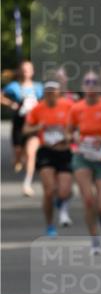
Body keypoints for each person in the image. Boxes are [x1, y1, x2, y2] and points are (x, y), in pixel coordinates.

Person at [67, 70, 101, 254]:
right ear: (82, 87)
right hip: (83, 157)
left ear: (99, 87)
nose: (90, 86)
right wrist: (74, 137)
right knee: (88, 200)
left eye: (94, 82)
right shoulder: (76, 108)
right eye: (87, 82)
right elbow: (69, 132)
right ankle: (95, 240)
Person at [23, 80, 75, 236]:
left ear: (59, 93)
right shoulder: (38, 109)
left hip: (64, 151)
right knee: (49, 190)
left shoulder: (68, 106)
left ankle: (60, 202)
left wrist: (69, 135)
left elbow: (77, 127)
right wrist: (37, 128)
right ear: (44, 93)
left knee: (65, 192)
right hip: (46, 151)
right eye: (48, 92)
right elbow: (26, 130)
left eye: (53, 92)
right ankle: (50, 225)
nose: (50, 95)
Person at [0, 60, 44, 196]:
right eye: (24, 69)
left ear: (32, 71)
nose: (26, 72)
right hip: (19, 123)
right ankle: (19, 158)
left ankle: (27, 184)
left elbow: (45, 101)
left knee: (31, 153)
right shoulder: (13, 86)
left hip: (33, 124)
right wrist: (11, 104)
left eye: (28, 69)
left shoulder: (38, 87)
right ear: (20, 71)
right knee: (18, 153)